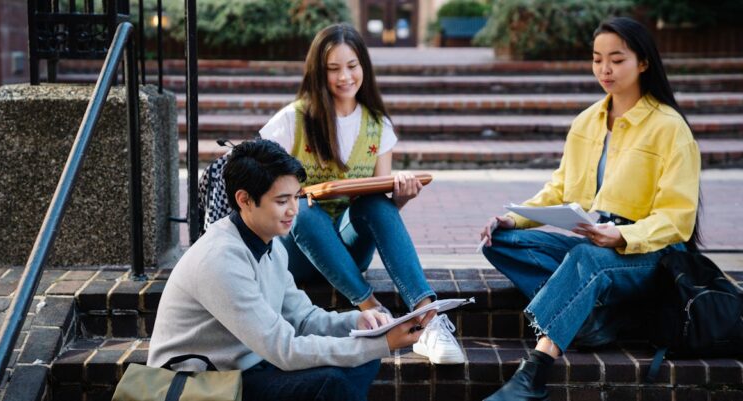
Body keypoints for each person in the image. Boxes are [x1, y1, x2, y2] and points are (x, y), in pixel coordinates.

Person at [477, 17, 701, 401]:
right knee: (500, 242)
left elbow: (678, 218)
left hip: (652, 253)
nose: (605, 69)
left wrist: (623, 235)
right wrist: (513, 218)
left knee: (586, 258)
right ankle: (593, 321)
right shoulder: (587, 122)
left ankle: (533, 375)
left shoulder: (669, 127)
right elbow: (560, 188)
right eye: (597, 59)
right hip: (599, 239)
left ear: (643, 62)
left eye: (617, 59)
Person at [148, 139, 435, 401]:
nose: (294, 210)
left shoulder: (271, 245)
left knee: (362, 360)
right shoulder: (219, 259)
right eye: (281, 201)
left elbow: (303, 319)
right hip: (201, 383)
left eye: (296, 197)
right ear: (244, 200)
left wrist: (359, 322)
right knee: (332, 382)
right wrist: (382, 343)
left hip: (248, 365)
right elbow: (284, 349)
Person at [259, 23, 465, 364]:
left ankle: (429, 320)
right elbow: (262, 189)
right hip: (295, 252)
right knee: (303, 209)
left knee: (376, 203)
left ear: (364, 67)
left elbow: (378, 207)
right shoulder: (292, 120)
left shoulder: (377, 124)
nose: (345, 77)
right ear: (318, 72)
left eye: (352, 66)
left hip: (348, 251)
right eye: (333, 68)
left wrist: (402, 196)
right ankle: (375, 312)